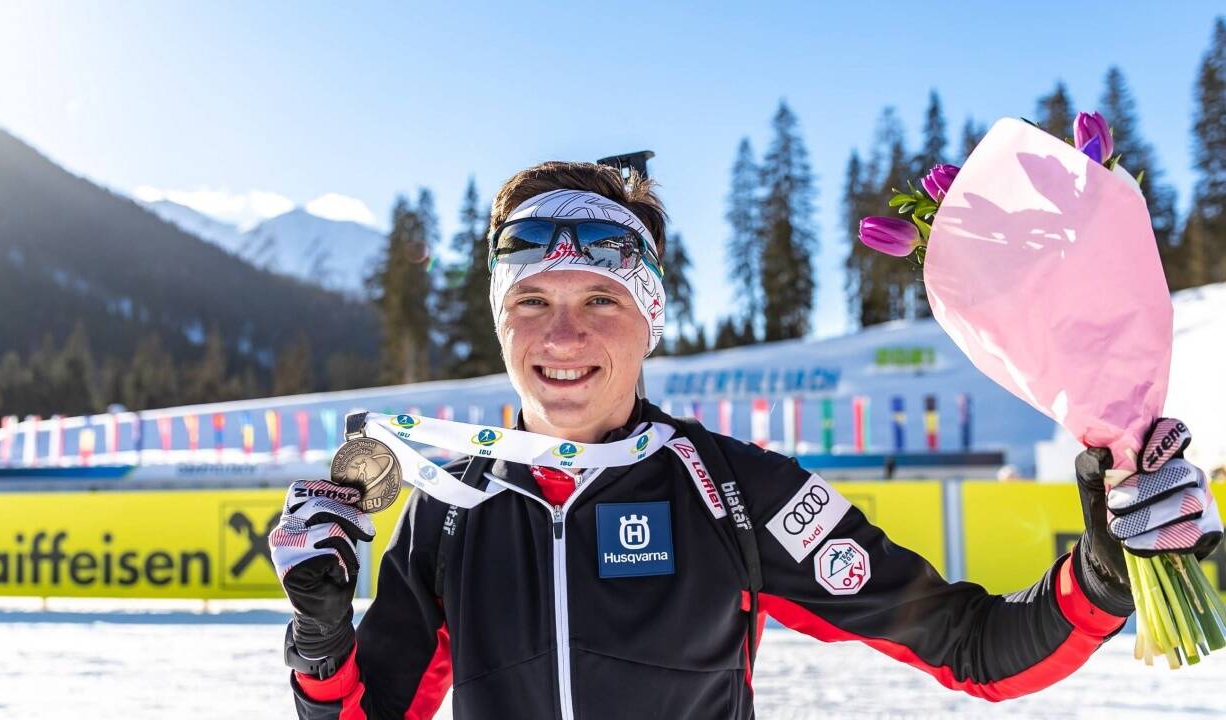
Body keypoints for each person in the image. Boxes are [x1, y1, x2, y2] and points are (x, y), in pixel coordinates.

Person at [269, 161, 1223, 720]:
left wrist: (1100, 574)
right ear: (500, 321)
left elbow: (973, 646)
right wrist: (320, 639)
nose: (564, 337)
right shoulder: (449, 507)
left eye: (601, 299)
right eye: (532, 304)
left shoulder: (734, 491)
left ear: (650, 319)